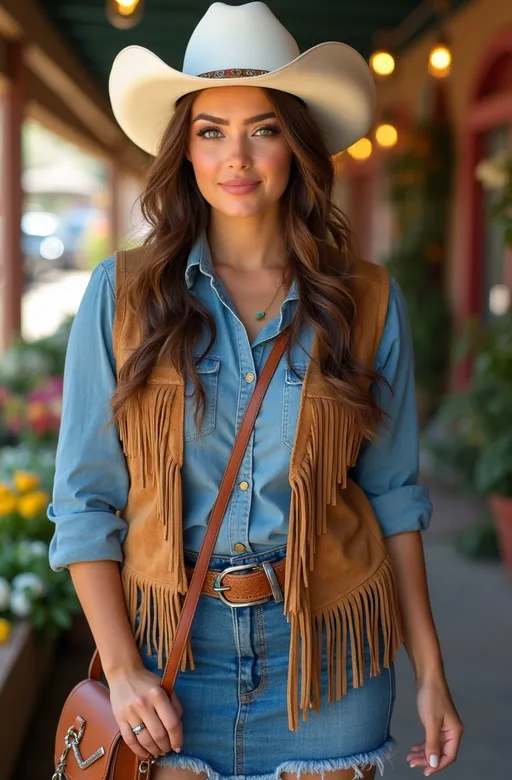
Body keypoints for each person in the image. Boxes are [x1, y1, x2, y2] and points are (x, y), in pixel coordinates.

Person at [48, 3, 463, 780]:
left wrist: (433, 672)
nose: (237, 156)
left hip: (327, 660)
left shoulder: (367, 299)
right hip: (170, 662)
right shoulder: (125, 294)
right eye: (212, 130)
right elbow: (84, 501)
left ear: (297, 145)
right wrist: (123, 668)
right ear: (186, 150)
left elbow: (395, 496)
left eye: (264, 128)